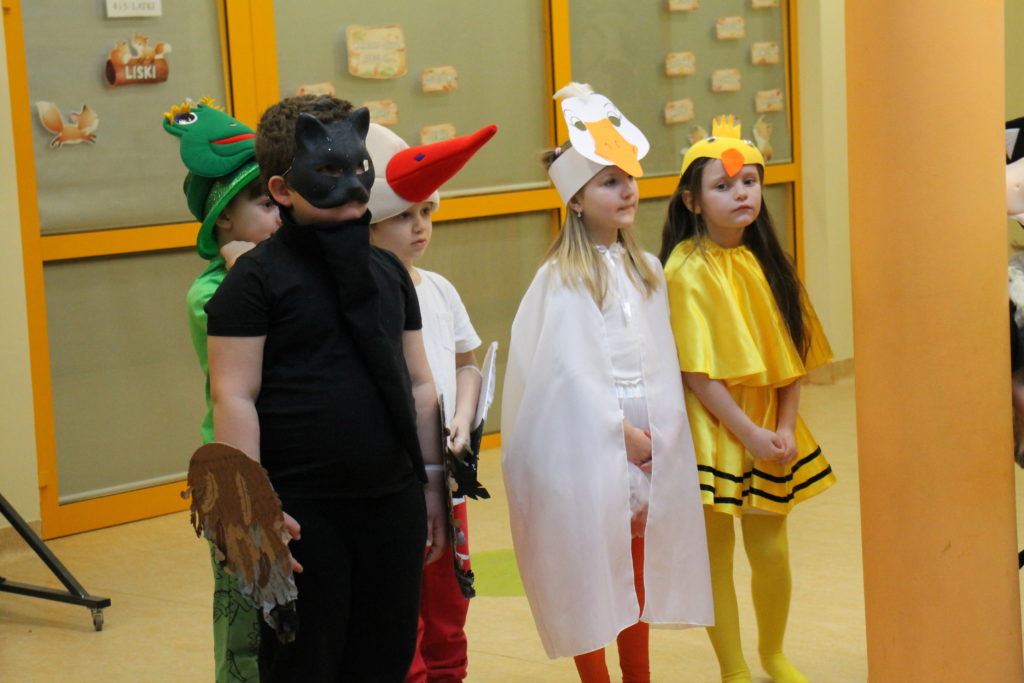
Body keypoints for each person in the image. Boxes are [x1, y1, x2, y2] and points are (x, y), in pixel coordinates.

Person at [204, 94, 447, 682]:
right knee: (305, 662)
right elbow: (233, 396)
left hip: (392, 503)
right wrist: (253, 512)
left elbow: (420, 384)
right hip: (301, 514)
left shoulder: (388, 273)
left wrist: (433, 487)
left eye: (360, 167)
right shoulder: (252, 283)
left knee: (385, 658)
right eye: (330, 170)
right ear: (283, 189)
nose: (354, 184)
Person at [502, 83, 713, 683]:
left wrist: (661, 433)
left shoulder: (645, 269)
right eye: (609, 182)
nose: (628, 192)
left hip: (646, 435)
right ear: (575, 199)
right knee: (592, 568)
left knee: (635, 567)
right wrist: (624, 435)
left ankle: (638, 675)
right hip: (590, 441)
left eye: (629, 179)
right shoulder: (563, 276)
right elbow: (565, 377)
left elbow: (659, 358)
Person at [659, 116, 836, 683]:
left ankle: (773, 654)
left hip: (768, 426)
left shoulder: (769, 263)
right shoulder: (684, 270)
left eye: (749, 182)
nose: (741, 193)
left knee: (772, 552)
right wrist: (749, 432)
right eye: (723, 185)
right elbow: (696, 372)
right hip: (715, 430)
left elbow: (791, 356)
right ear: (692, 201)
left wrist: (782, 427)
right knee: (716, 557)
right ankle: (733, 667)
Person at [365, 122, 496, 682]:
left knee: (449, 607)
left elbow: (468, 363)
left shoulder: (439, 289)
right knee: (402, 614)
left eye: (426, 213)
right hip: (397, 480)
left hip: (448, 476)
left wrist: (463, 417)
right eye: (403, 216)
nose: (419, 226)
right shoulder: (365, 297)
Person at [165, 97, 281, 683]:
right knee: (246, 613)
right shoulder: (210, 291)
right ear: (223, 223)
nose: (279, 216)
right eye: (264, 205)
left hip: (290, 459)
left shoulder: (288, 272)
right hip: (235, 473)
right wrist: (244, 271)